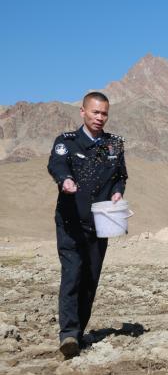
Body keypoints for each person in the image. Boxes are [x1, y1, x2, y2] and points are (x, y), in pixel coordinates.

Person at [47, 91, 128, 358]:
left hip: (100, 223)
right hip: (70, 221)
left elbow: (120, 177)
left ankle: (78, 333)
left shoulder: (114, 145)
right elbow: (57, 164)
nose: (100, 118)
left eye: (104, 113)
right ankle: (68, 334)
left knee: (90, 277)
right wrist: (65, 180)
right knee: (73, 273)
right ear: (82, 112)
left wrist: (117, 192)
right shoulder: (67, 142)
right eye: (95, 112)